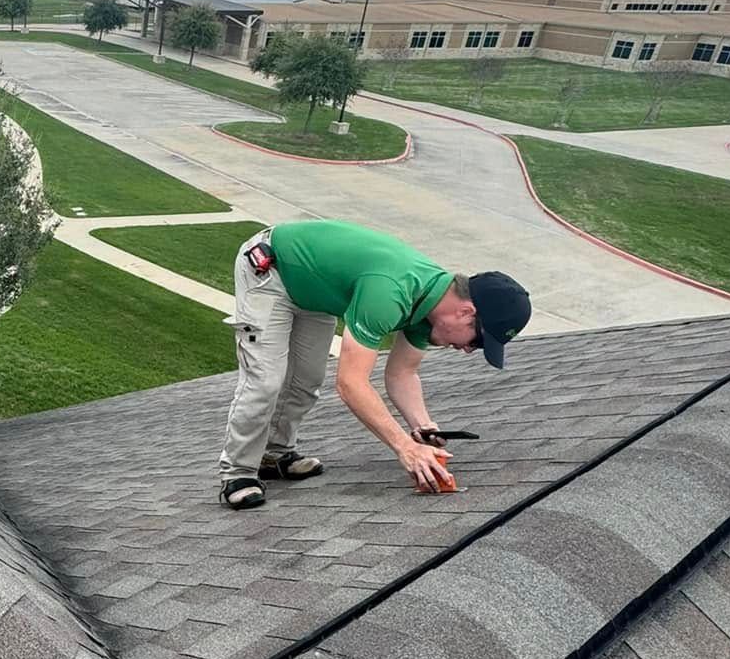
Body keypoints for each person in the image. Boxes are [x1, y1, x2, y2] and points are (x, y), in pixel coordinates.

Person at [217, 219, 531, 511]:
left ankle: (274, 454)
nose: (467, 350)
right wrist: (403, 448)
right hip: (271, 270)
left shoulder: (431, 308)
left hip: (313, 293)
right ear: (465, 312)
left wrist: (423, 428)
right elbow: (351, 384)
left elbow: (402, 373)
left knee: (307, 380)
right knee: (266, 379)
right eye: (477, 341)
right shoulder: (392, 291)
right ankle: (238, 471)